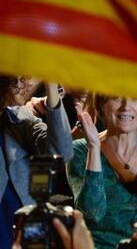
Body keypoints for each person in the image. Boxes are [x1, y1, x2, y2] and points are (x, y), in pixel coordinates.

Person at [67, 95, 137, 249]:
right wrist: (94, 147)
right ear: (101, 106)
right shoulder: (80, 150)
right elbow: (93, 214)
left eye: (135, 97)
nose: (126, 106)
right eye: (116, 98)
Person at [0, 76, 73, 249]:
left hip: (27, 230)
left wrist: (52, 87)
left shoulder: (21, 118)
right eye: (17, 79)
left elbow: (62, 152)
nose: (25, 85)